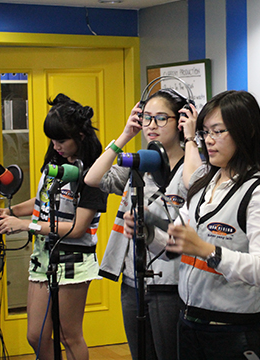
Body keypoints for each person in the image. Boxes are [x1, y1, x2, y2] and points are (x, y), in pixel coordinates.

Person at [128, 90, 260, 359]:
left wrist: (207, 250)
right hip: (189, 321)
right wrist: (148, 233)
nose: (209, 140)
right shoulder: (204, 184)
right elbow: (174, 248)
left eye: (218, 131)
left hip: (232, 330)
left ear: (245, 132)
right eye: (204, 132)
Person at [84, 88, 201, 360]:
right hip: (133, 280)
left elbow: (195, 186)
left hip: (171, 283)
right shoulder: (139, 162)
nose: (151, 125)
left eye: (161, 118)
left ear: (181, 120)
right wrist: (125, 135)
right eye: (146, 118)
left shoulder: (192, 165)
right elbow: (93, 178)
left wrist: (191, 139)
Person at [0, 94, 108, 360]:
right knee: (36, 335)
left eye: (61, 141)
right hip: (43, 256)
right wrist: (11, 211)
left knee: (69, 336)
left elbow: (77, 228)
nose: (56, 146)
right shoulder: (55, 160)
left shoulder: (93, 173)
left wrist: (25, 225)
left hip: (73, 259)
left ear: (80, 135)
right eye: (52, 140)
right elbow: (42, 199)